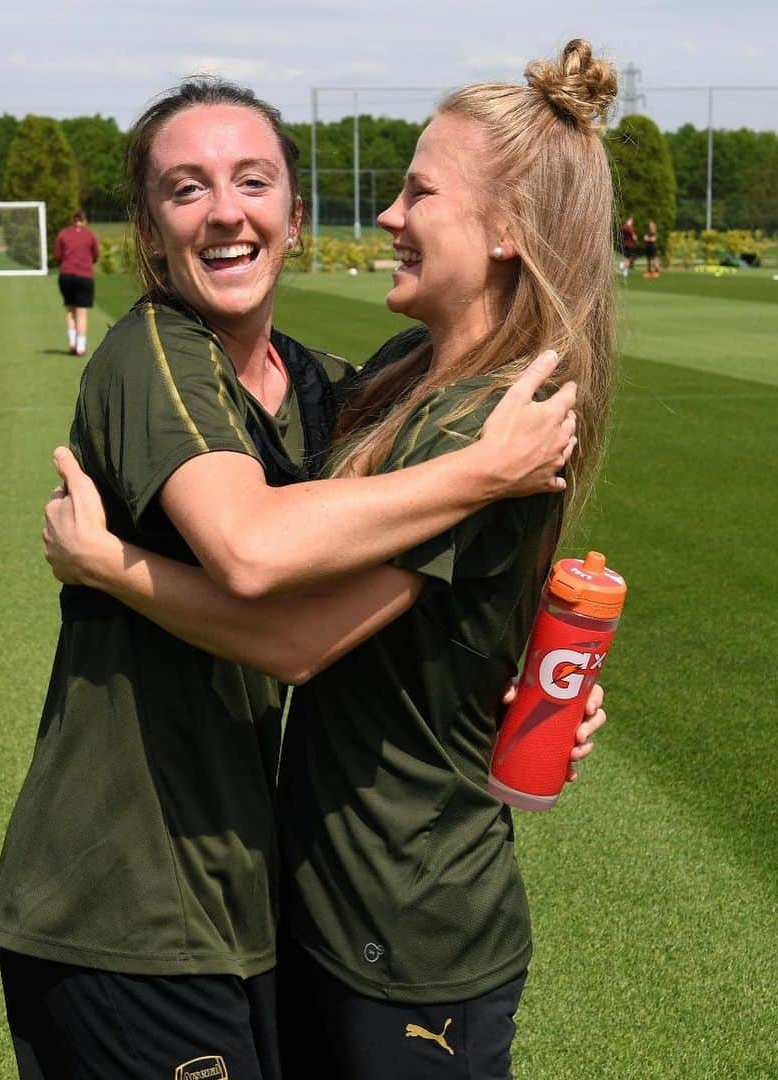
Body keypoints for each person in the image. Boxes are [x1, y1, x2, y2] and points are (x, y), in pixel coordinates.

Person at [42, 39, 617, 1080]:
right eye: (187, 188)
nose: (391, 216)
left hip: (411, 926)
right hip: (318, 905)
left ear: (506, 232)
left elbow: (296, 628)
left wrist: (106, 563)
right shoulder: (409, 384)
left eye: (418, 192)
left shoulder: (494, 427)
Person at [53, 209, 99, 356]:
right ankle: (81, 347)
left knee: (70, 310)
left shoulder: (63, 234)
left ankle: (72, 343)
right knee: (82, 312)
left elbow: (58, 256)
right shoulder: (90, 235)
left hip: (66, 275)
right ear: (84, 220)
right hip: (84, 276)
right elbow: (95, 255)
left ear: (72, 220)